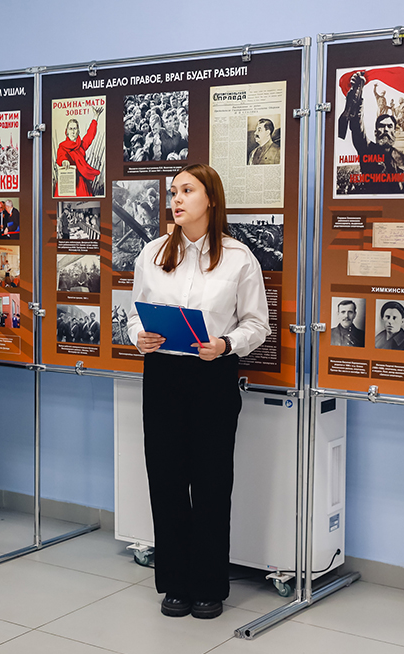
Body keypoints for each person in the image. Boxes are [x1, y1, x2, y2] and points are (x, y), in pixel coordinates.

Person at [128, 164, 270, 620]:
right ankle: (174, 582)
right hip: (162, 374)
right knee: (166, 478)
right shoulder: (151, 253)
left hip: (212, 375)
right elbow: (133, 314)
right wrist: (138, 336)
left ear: (210, 198)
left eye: (187, 190)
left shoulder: (238, 257)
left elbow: (258, 324)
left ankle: (208, 585)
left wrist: (226, 344)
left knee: (211, 481)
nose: (177, 199)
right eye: (173, 191)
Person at [339, 72, 404, 194]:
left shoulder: (401, 158)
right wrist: (357, 94)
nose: (386, 130)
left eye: (389, 126)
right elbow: (357, 128)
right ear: (375, 132)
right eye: (382, 126)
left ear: (394, 132)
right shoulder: (367, 149)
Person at [56, 105, 104, 197]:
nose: (73, 131)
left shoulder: (81, 146)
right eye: (71, 129)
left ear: (78, 131)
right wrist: (64, 161)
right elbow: (61, 155)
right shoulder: (62, 146)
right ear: (67, 131)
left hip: (81, 183)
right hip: (67, 181)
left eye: (75, 128)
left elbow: (90, 135)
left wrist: (95, 117)